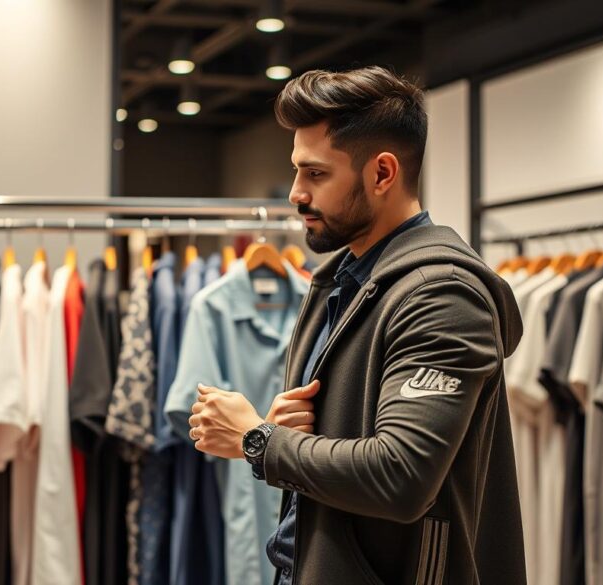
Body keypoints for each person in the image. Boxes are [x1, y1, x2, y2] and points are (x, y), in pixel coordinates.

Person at [187, 66, 527, 584]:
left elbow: (401, 474)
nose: (296, 193)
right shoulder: (344, 283)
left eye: (317, 174)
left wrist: (258, 440)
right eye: (297, 171)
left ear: (382, 173)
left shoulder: (441, 296)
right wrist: (286, 430)